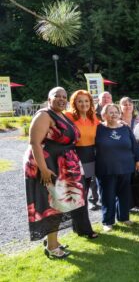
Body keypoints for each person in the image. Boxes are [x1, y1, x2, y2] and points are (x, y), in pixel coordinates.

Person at [24, 87, 85, 258]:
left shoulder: (61, 115)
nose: (61, 99)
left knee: (59, 203)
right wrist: (43, 169)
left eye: (64, 97)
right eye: (56, 96)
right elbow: (35, 143)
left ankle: (53, 240)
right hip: (47, 165)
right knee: (52, 205)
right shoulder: (44, 115)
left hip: (60, 165)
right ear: (48, 98)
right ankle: (52, 248)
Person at [96, 104, 139, 232]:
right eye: (110, 112)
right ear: (104, 115)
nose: (114, 114)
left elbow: (134, 145)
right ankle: (107, 221)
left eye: (116, 112)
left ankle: (124, 217)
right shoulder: (98, 128)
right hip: (106, 168)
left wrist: (138, 159)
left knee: (124, 193)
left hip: (126, 166)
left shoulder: (125, 128)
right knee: (107, 195)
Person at [64, 90, 99, 239]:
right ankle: (85, 229)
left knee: (82, 194)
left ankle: (78, 227)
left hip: (90, 157)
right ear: (74, 103)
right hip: (75, 158)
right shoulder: (69, 116)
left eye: (86, 101)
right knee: (79, 194)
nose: (83, 104)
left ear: (90, 103)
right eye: (80, 101)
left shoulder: (93, 118)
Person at [120, 97, 139, 212]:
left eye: (129, 104)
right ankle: (129, 204)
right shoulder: (118, 120)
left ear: (133, 106)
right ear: (120, 107)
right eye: (125, 104)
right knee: (126, 180)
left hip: (137, 152)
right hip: (122, 155)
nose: (127, 106)